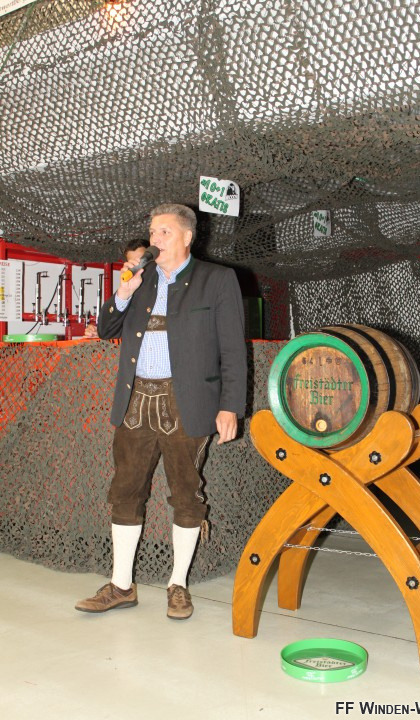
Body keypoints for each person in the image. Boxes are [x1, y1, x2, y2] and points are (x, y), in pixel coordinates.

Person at [75, 203, 247, 619]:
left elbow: (232, 349)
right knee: (125, 490)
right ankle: (121, 585)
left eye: (165, 232)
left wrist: (230, 406)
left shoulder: (217, 279)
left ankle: (178, 585)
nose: (155, 240)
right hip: (135, 400)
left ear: (188, 237)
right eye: (153, 232)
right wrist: (123, 292)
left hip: (187, 401)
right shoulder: (142, 278)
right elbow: (106, 329)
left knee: (186, 492)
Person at [84, 239, 150, 338]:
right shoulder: (126, 296)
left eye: (142, 262)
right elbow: (113, 331)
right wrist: (97, 334)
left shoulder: (166, 286)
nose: (140, 268)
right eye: (133, 264)